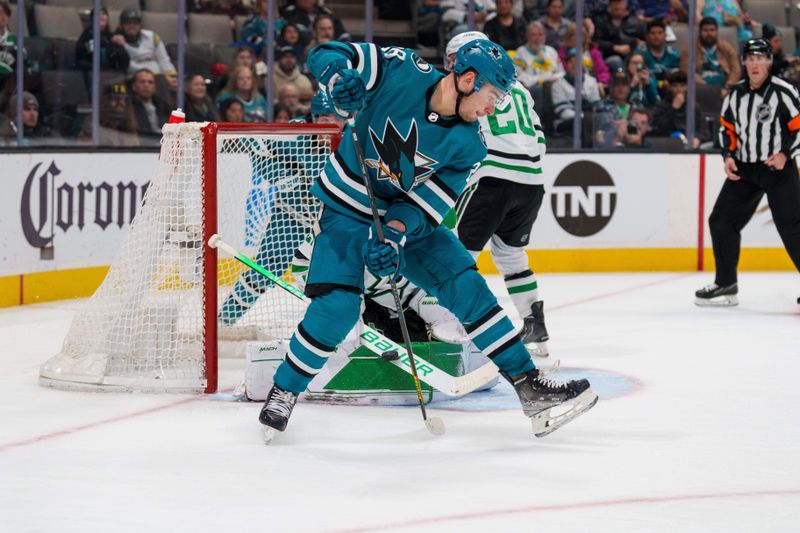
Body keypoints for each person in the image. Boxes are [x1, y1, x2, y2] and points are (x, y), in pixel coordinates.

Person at [258, 39, 597, 438]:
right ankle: (284, 391)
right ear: (468, 79)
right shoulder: (402, 69)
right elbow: (326, 51)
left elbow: (423, 208)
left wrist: (395, 237)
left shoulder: (471, 145)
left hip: (404, 226)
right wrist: (338, 77)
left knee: (466, 285)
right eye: (492, 96)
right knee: (338, 308)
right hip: (347, 210)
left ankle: (529, 385)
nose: (493, 108)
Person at [447, 32, 551, 357]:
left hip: (491, 179)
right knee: (511, 256)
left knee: (455, 255)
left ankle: (448, 327)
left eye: (455, 57)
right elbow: (539, 137)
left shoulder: (471, 83)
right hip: (532, 183)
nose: (452, 64)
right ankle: (536, 328)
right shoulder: (518, 87)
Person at [697, 39, 800, 307]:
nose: (754, 63)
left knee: (793, 228)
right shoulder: (735, 94)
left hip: (776, 169)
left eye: (760, 58)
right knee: (721, 221)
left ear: (769, 62)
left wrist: (784, 155)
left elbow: (798, 126)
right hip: (745, 168)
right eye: (750, 58)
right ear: (743, 62)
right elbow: (726, 128)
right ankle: (726, 284)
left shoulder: (783, 92)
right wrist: (728, 155)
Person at [115, 9, 178, 93]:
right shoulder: (117, 42)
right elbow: (129, 66)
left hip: (162, 76)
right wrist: (159, 77)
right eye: (128, 23)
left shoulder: (152, 36)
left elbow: (164, 60)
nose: (132, 26)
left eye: (135, 23)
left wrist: (172, 77)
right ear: (121, 25)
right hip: (138, 78)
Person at [681, 16, 740, 97]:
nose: (709, 33)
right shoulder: (690, 48)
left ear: (717, 31)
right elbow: (686, 70)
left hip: (724, 88)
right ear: (700, 32)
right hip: (699, 87)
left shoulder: (726, 47)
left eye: (712, 30)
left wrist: (727, 87)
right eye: (705, 30)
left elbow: (736, 70)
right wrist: (707, 88)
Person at [551, 47, 601, 132]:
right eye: (571, 61)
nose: (574, 64)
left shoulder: (591, 81)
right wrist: (584, 118)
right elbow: (562, 111)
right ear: (566, 64)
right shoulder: (557, 85)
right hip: (566, 121)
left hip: (588, 120)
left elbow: (597, 104)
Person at [651, 70, 704, 146]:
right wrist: (673, 109)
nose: (679, 89)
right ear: (669, 87)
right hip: (667, 143)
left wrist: (697, 138)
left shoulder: (693, 106)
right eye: (675, 86)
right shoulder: (661, 106)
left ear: (687, 87)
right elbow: (659, 128)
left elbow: (703, 129)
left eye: (682, 86)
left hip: (690, 144)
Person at [558, 19, 610, 94]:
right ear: (568, 37)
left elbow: (603, 71)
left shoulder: (593, 53)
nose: (577, 38)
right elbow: (563, 73)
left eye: (580, 35)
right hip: (570, 87)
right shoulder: (562, 54)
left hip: (594, 85)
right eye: (573, 35)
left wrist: (601, 82)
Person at [594, 0, 646, 71]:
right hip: (609, 57)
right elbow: (597, 42)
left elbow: (644, 41)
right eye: (614, 2)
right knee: (616, 61)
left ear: (626, 4)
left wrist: (633, 45)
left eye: (620, 2)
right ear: (609, 5)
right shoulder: (601, 21)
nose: (617, 5)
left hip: (632, 56)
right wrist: (614, 47)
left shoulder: (636, 23)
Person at [75, 7, 130, 74]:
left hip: (113, 75)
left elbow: (124, 62)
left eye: (104, 14)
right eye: (98, 14)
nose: (101, 16)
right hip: (93, 74)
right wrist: (110, 45)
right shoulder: (87, 35)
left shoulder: (111, 36)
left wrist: (120, 46)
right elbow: (91, 57)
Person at [514, 21, 564, 90]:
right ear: (527, 36)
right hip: (531, 90)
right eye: (533, 35)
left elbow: (561, 72)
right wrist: (541, 80)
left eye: (540, 34)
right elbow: (519, 76)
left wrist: (553, 78)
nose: (537, 38)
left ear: (545, 36)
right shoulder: (520, 52)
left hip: (553, 89)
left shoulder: (551, 51)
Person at [636, 19, 680, 97]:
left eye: (660, 33)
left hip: (669, 91)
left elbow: (678, 75)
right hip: (645, 90)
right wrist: (660, 83)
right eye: (652, 33)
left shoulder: (674, 54)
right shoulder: (640, 52)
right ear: (647, 36)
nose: (656, 36)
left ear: (665, 35)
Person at [129, 68, 171, 143]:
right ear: (134, 86)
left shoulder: (163, 106)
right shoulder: (128, 106)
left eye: (150, 82)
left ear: (154, 87)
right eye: (142, 82)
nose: (146, 85)